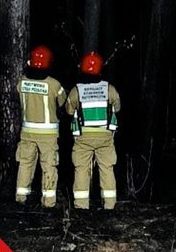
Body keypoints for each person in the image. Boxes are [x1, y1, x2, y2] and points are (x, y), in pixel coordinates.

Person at [66, 51, 121, 210]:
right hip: (105, 136)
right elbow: (117, 106)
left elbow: (69, 110)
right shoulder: (109, 88)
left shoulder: (77, 90)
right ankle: (109, 206)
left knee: (81, 169)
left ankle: (81, 206)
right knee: (107, 169)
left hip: (83, 136)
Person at [14, 45, 67, 207]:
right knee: (49, 166)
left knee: (25, 164)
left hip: (27, 133)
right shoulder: (54, 85)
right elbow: (63, 102)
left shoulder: (21, 82)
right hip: (48, 135)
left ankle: (21, 198)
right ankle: (49, 202)